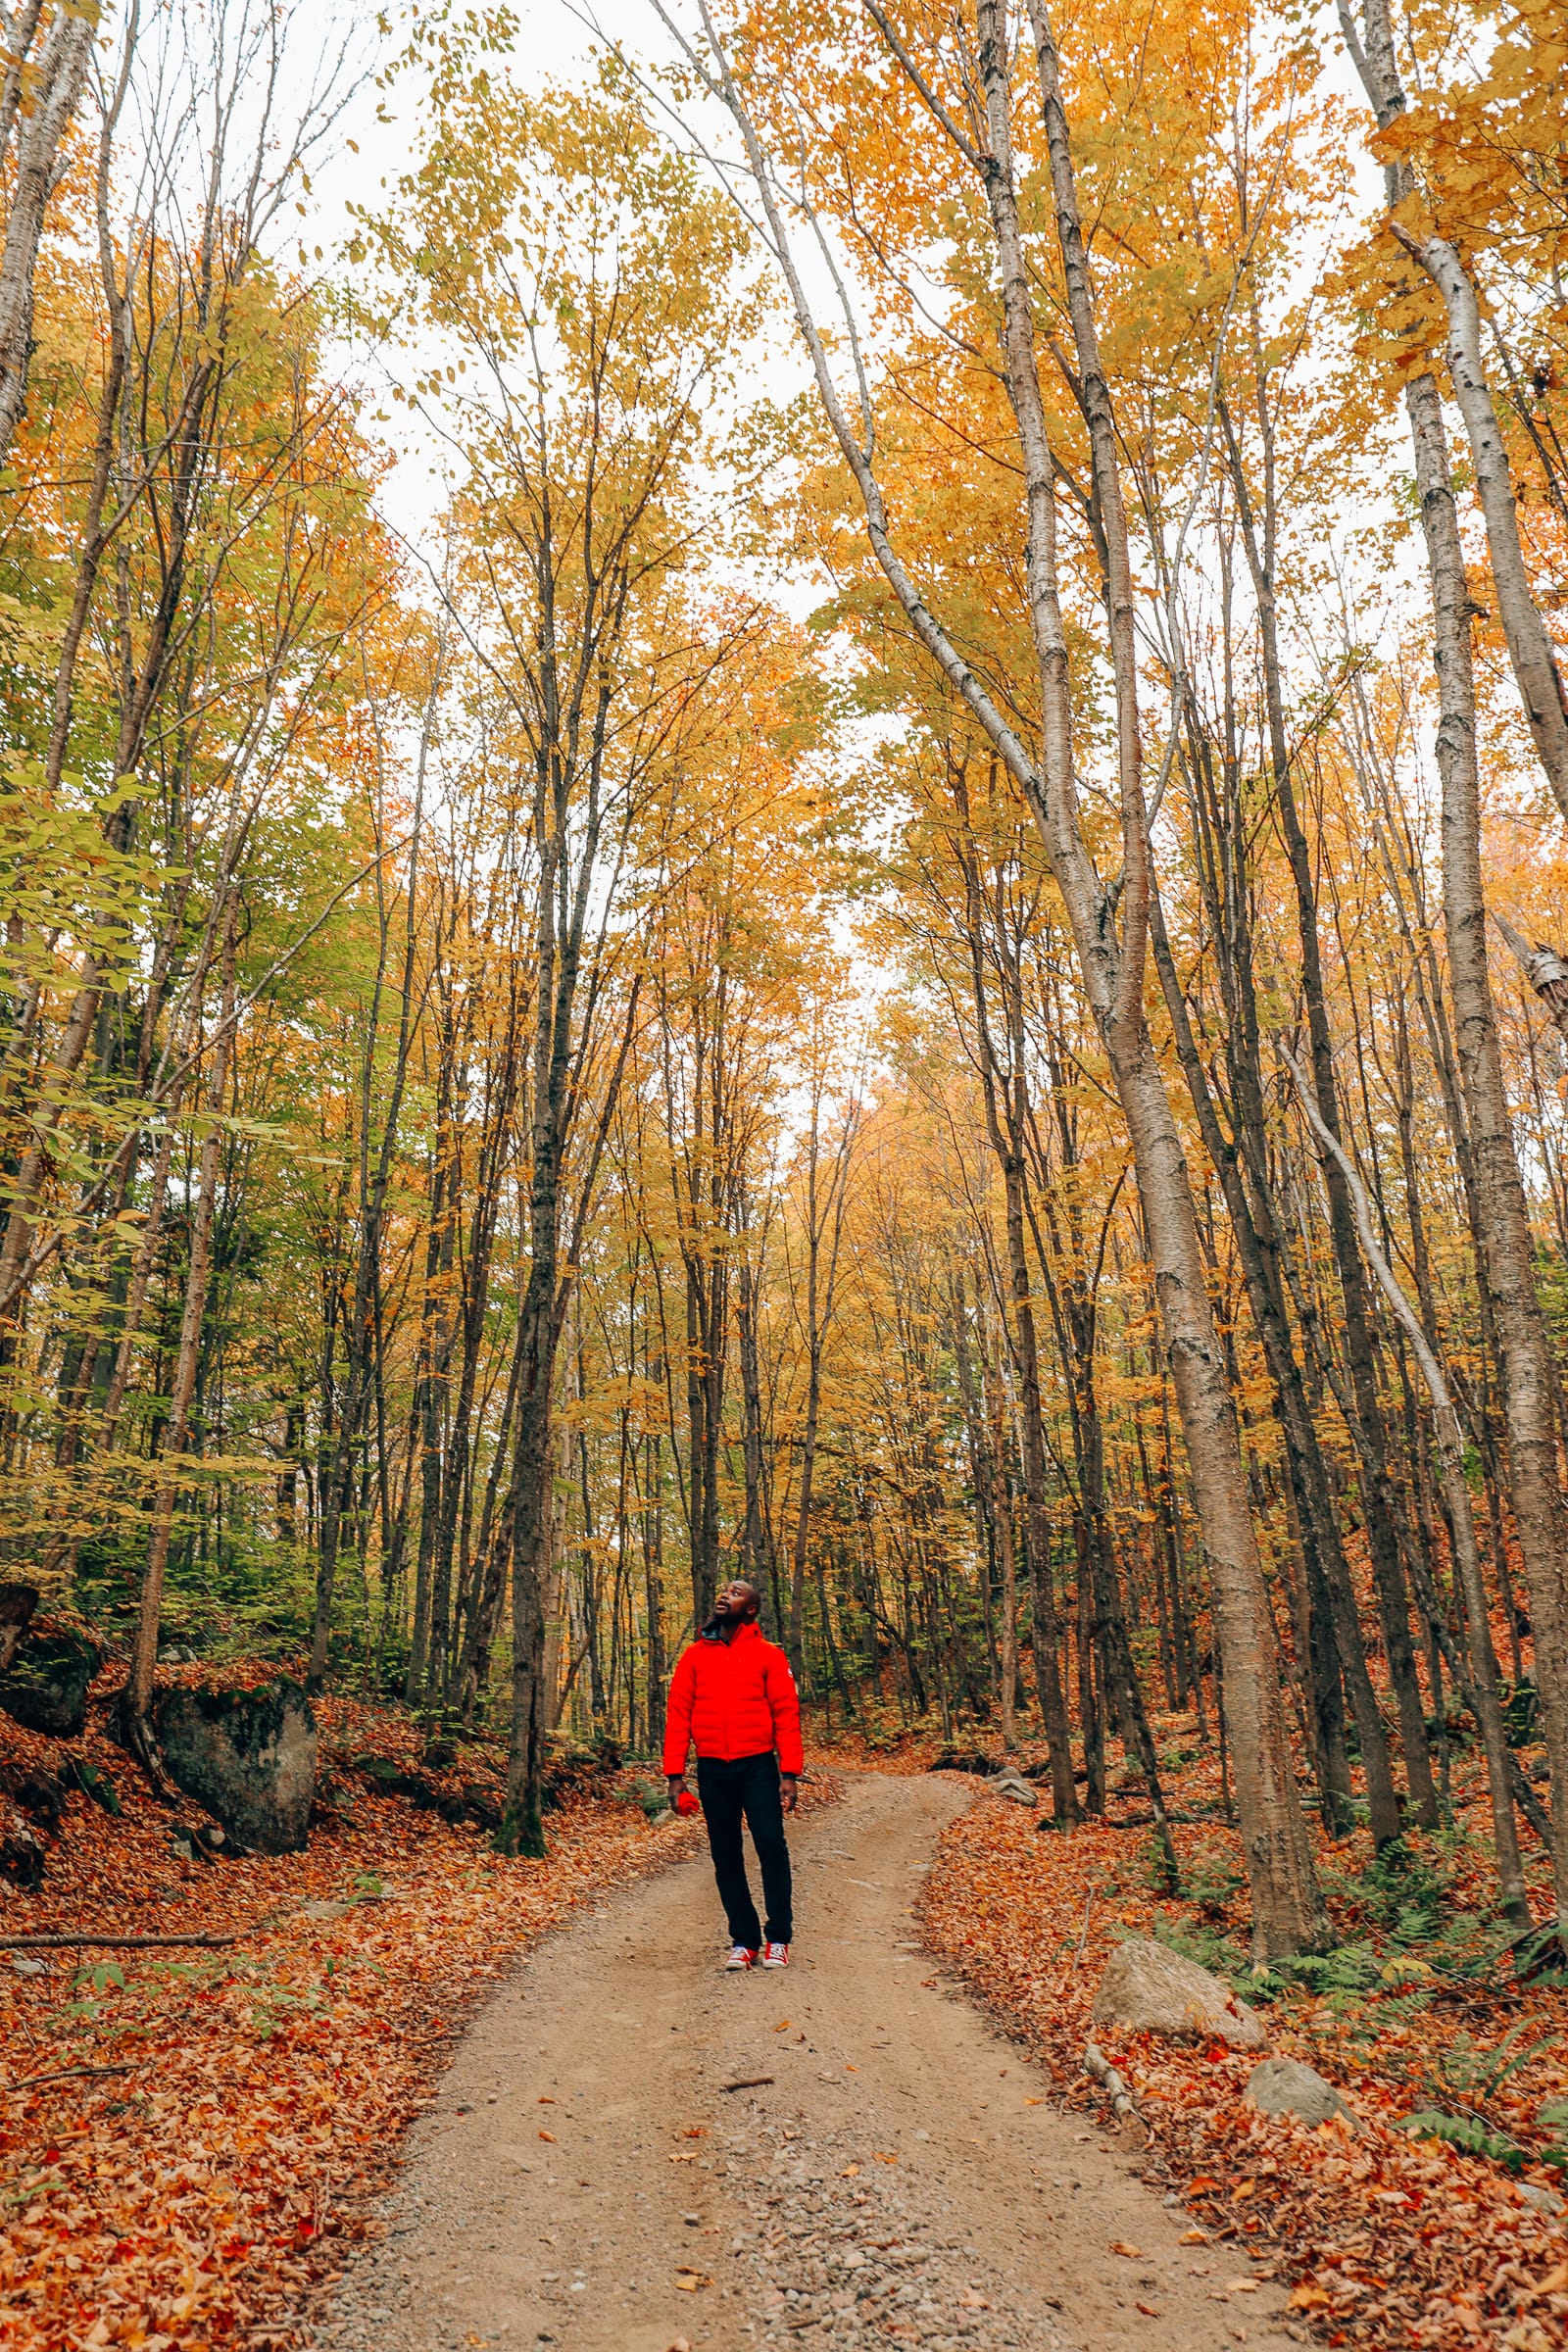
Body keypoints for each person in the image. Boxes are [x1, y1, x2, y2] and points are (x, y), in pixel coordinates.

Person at [663, 1577, 802, 1970]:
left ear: (752, 1609)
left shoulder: (769, 1656)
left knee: (771, 1846)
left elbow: (786, 1716)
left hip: (758, 1766)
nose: (725, 1595)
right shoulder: (693, 1656)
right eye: (724, 1590)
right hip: (713, 1771)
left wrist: (788, 1773)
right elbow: (678, 1717)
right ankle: (744, 1940)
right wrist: (675, 1775)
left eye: (736, 1593)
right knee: (726, 1856)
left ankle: (779, 1938)